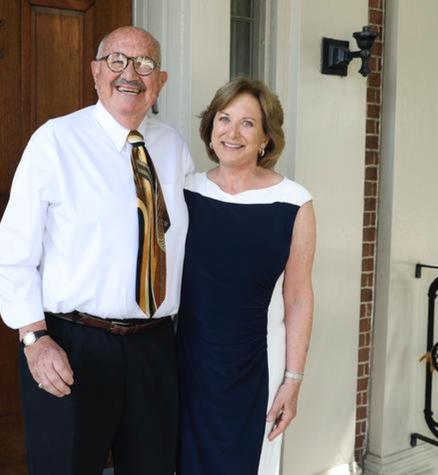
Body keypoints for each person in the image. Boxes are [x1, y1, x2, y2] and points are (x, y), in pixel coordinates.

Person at [0, 26, 194, 475]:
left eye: (145, 65)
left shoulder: (175, 149)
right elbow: (10, 254)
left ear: (161, 81)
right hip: (73, 345)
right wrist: (35, 340)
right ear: (96, 73)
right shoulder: (55, 142)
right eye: (118, 60)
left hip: (155, 349)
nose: (131, 74)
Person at [177, 77, 316, 475]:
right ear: (210, 129)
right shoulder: (185, 192)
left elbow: (299, 297)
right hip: (187, 362)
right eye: (224, 119)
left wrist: (293, 380)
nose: (232, 132)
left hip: (257, 364)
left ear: (266, 139)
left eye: (247, 123)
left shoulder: (294, 202)